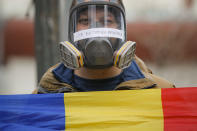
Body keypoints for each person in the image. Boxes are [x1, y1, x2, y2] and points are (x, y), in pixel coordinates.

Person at [33, 0, 175, 94]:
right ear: (72, 30)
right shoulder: (45, 95)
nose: (96, 29)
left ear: (121, 29)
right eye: (84, 20)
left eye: (107, 20)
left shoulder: (160, 92)